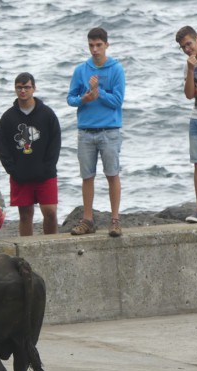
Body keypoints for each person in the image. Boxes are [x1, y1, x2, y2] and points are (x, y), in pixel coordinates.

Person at [67, 27, 125, 237]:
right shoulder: (81, 70)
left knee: (112, 174)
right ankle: (88, 220)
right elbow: (70, 99)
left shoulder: (116, 69)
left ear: (106, 45)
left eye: (98, 45)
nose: (94, 49)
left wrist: (99, 93)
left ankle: (115, 220)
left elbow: (118, 101)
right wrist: (85, 98)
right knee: (87, 177)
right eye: (91, 45)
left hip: (109, 130)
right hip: (86, 131)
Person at [0, 72, 61, 236]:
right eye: (19, 87)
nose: (23, 91)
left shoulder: (47, 114)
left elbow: (55, 142)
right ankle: (27, 251)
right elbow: (2, 147)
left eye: (27, 87)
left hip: (45, 173)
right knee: (25, 215)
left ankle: (50, 244)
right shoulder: (8, 117)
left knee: (50, 212)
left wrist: (48, 166)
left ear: (34, 88)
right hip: (20, 175)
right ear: (15, 89)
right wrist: (13, 169)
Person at [175, 26, 197, 223]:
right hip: (196, 118)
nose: (187, 49)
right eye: (183, 47)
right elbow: (188, 95)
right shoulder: (189, 65)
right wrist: (192, 69)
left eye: (189, 43)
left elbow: (194, 92)